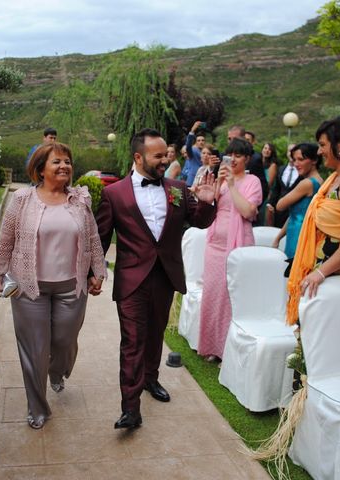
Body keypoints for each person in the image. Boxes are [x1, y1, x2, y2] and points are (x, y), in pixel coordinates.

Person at [95, 128, 216, 429]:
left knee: (155, 333)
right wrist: (93, 273)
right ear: (138, 157)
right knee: (132, 341)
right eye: (157, 155)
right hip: (131, 278)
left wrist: (207, 202)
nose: (164, 160)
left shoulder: (177, 188)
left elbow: (199, 222)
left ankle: (151, 378)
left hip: (165, 275)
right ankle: (131, 409)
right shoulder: (113, 194)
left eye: (165, 154)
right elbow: (100, 237)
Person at [0, 142, 106, 429]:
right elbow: (6, 239)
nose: (64, 166)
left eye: (67, 161)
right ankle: (37, 407)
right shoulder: (22, 199)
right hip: (29, 288)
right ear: (40, 169)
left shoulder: (79, 200)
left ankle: (57, 372)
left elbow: (92, 239)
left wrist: (98, 272)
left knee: (64, 342)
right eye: (57, 162)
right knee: (34, 348)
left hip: (71, 286)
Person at [286, 115, 340, 325]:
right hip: (319, 266)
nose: (319, 151)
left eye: (323, 144)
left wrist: (321, 273)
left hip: (332, 271)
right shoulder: (335, 178)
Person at [197, 138, 262, 362]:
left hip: (238, 247)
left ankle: (228, 350)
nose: (232, 159)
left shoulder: (252, 181)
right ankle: (211, 347)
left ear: (247, 159)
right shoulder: (222, 180)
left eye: (238, 155)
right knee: (212, 294)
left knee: (229, 297)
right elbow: (212, 205)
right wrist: (214, 188)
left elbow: (248, 211)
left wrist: (233, 185)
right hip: (214, 244)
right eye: (230, 155)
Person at [272, 143, 323, 259]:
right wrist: (278, 237)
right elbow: (295, 214)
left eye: (301, 159)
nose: (296, 164)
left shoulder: (306, 183)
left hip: (298, 235)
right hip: (303, 234)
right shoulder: (320, 181)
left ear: (314, 160)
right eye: (294, 160)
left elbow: (279, 206)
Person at [267, 143, 299, 228]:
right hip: (280, 211)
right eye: (289, 151)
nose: (291, 153)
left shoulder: (302, 171)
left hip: (295, 211)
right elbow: (276, 188)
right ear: (287, 153)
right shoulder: (281, 169)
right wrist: (271, 203)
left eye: (294, 151)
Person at [182, 120, 206, 186]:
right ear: (196, 143)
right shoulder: (193, 151)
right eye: (199, 141)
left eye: (203, 140)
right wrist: (192, 130)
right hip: (192, 182)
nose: (201, 142)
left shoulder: (207, 152)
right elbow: (188, 146)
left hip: (203, 182)